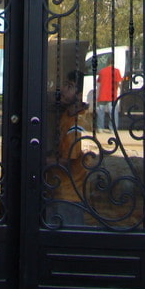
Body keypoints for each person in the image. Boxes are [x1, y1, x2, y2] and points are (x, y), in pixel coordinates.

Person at [44, 73, 90, 227]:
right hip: (56, 190)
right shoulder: (67, 115)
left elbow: (68, 161)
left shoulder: (79, 123)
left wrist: (41, 161)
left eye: (69, 87)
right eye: (64, 85)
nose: (63, 90)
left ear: (79, 95)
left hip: (70, 195)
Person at [96, 62, 122, 131]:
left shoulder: (102, 71)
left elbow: (99, 81)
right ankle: (113, 129)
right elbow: (119, 82)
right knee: (113, 113)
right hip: (112, 95)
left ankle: (100, 128)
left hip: (102, 94)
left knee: (100, 112)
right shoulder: (116, 71)